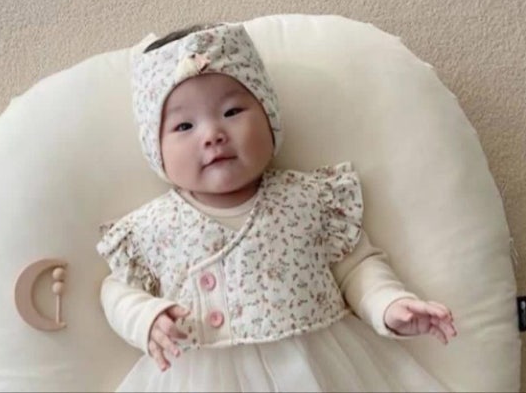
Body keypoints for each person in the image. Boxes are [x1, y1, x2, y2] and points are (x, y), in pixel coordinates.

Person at [97, 22, 457, 392]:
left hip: (316, 369)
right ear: (154, 148)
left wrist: (388, 303)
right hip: (198, 375)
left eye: (232, 111)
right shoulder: (151, 228)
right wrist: (145, 318)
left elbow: (356, 266)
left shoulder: (310, 199)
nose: (212, 135)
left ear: (269, 115)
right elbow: (116, 290)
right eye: (184, 126)